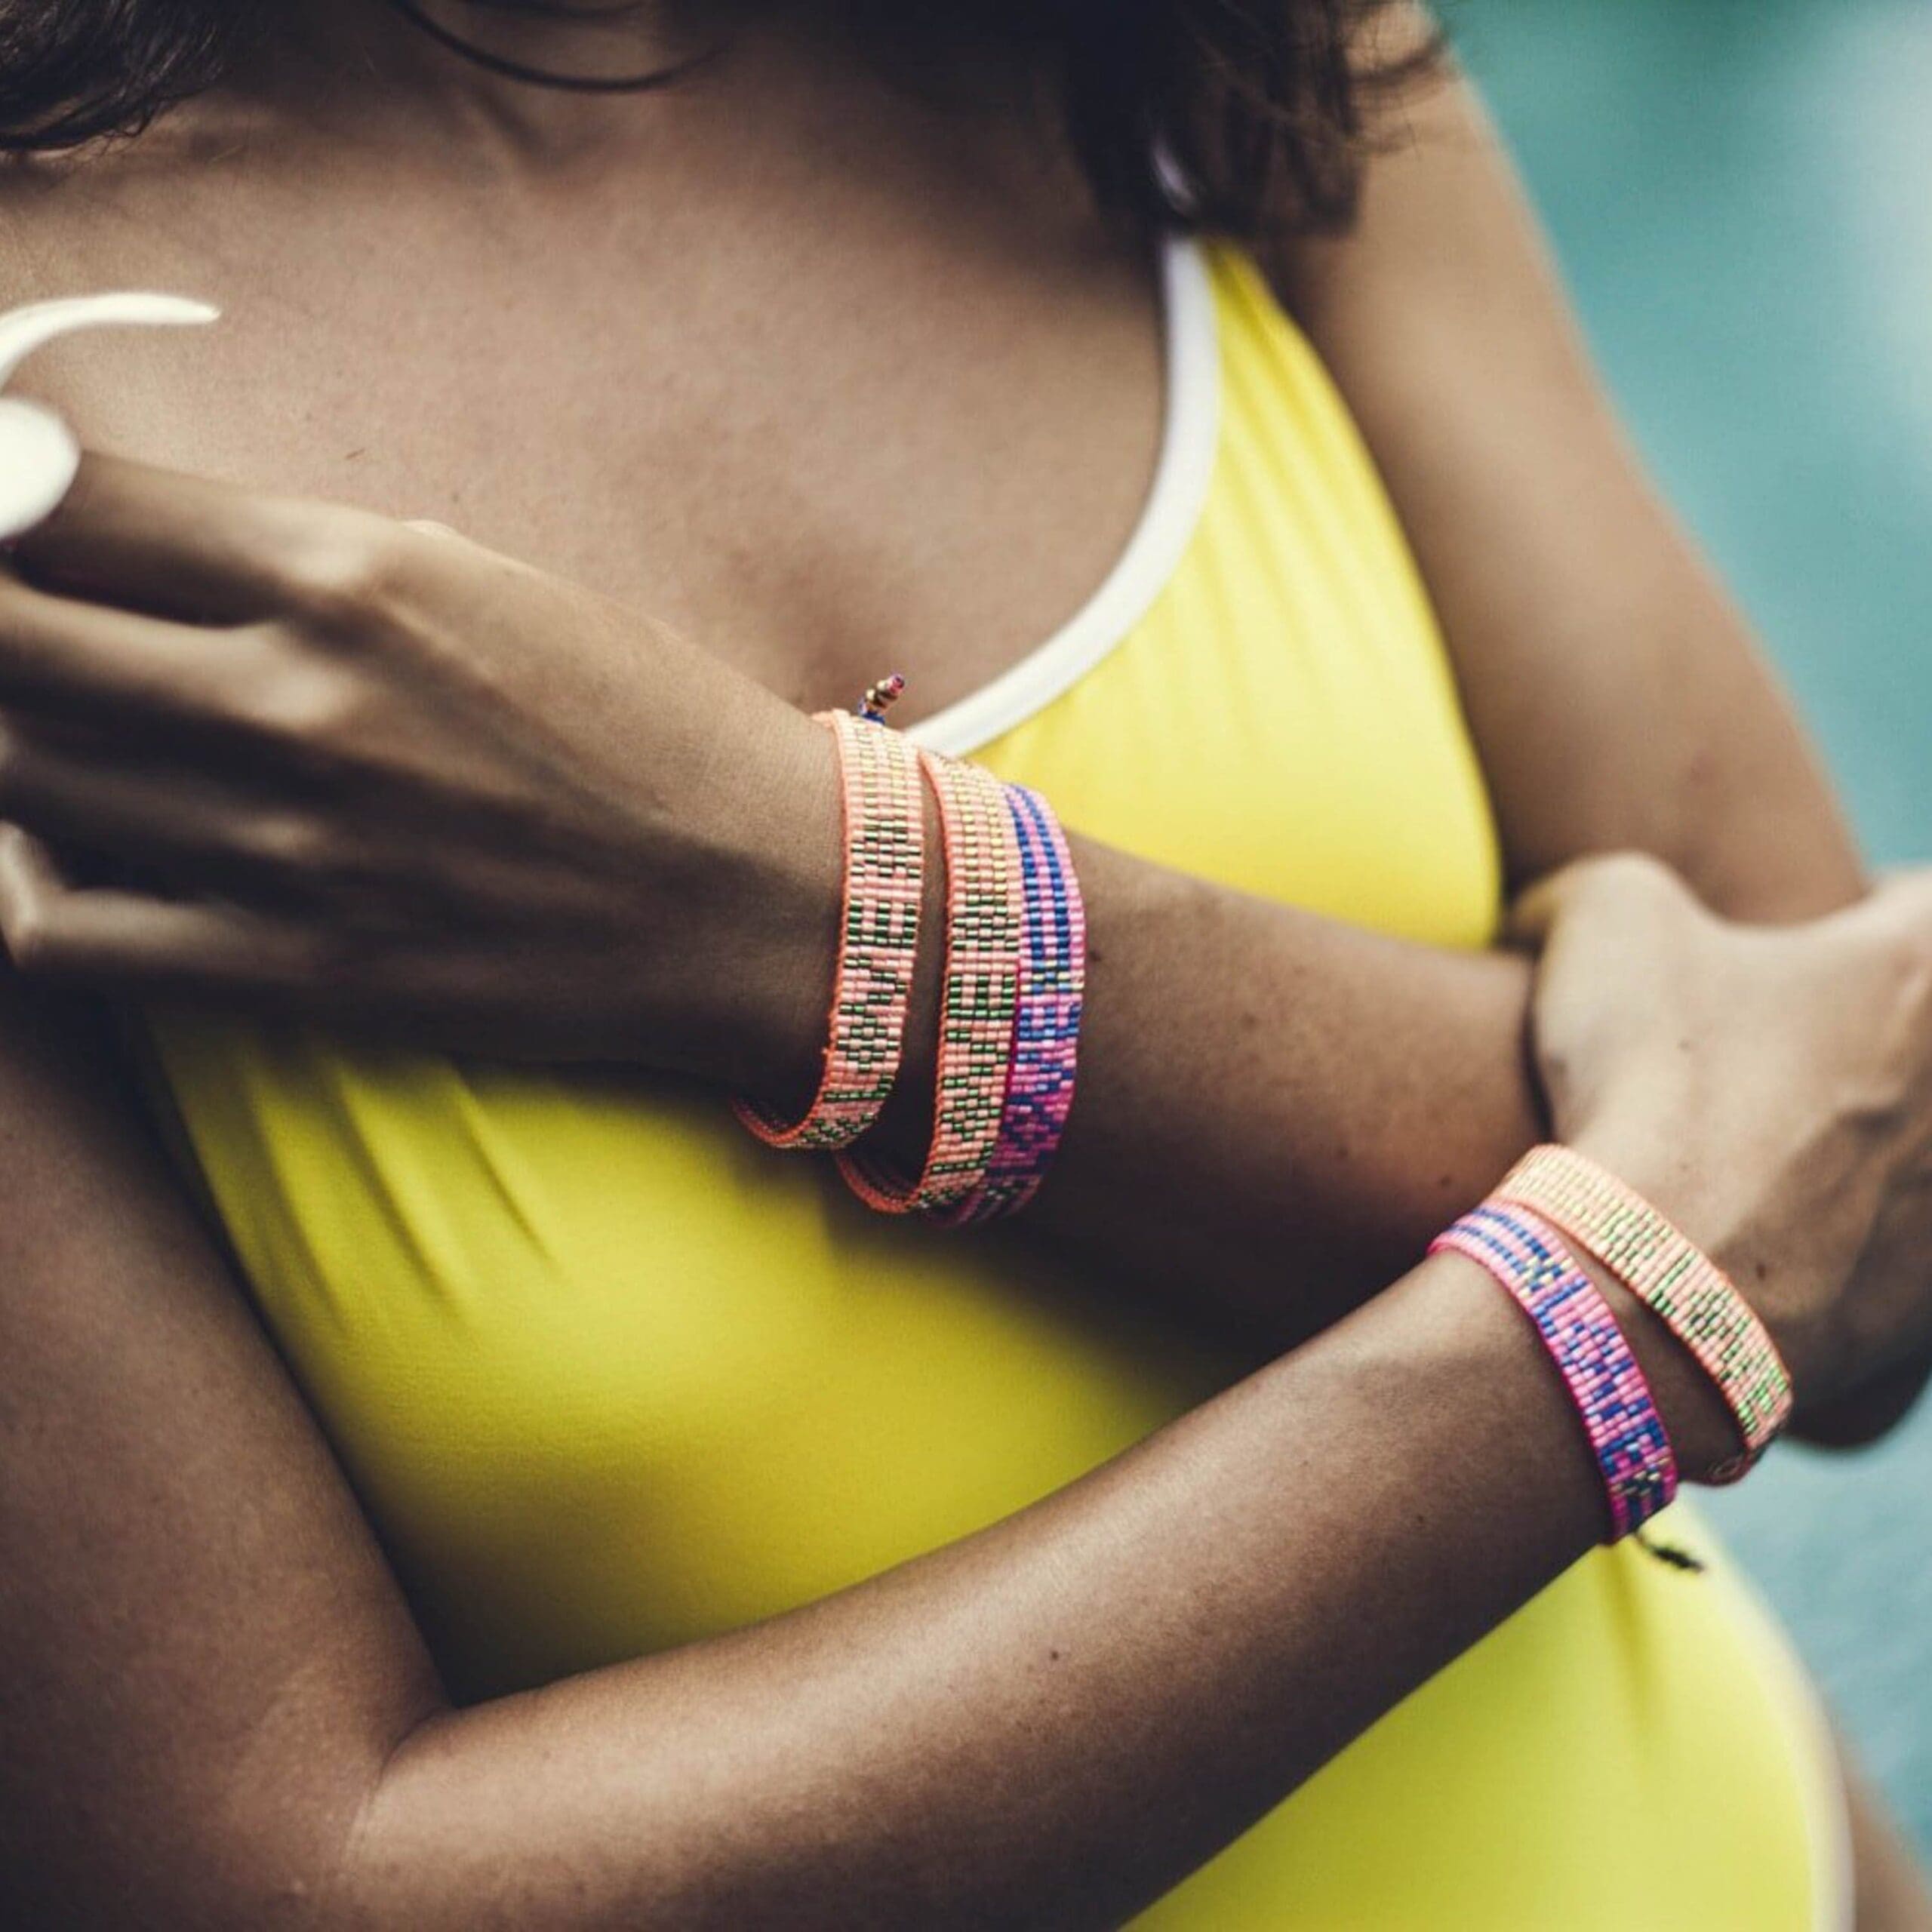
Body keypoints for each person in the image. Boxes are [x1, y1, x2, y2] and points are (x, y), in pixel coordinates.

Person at [1, 2, 1929, 1923]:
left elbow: (1871, 1174)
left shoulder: (1205, 50)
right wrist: (1598, 1325)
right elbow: (280, 1878)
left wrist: (822, 903)